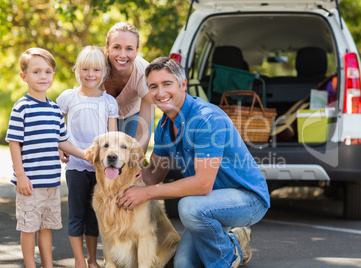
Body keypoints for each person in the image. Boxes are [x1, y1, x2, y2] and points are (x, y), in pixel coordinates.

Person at [117, 57, 270, 268]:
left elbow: (202, 184)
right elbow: (153, 175)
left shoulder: (206, 119)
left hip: (246, 199)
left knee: (188, 207)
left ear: (183, 84)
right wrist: (121, 176)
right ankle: (235, 242)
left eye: (167, 84)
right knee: (183, 264)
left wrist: (146, 193)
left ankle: (224, 259)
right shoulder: (164, 127)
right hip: (207, 203)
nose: (160, 93)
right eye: (153, 86)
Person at [6, 48, 85, 268]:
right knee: (29, 228)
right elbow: (14, 143)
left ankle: (47, 266)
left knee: (46, 227)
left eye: (48, 71)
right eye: (36, 72)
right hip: (30, 184)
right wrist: (20, 175)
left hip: (51, 183)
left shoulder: (54, 109)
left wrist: (87, 155)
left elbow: (63, 141)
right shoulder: (22, 108)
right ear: (24, 76)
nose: (43, 76)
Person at [56, 46, 118, 268]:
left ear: (104, 73)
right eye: (85, 69)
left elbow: (113, 138)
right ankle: (80, 261)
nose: (90, 74)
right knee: (77, 214)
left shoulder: (109, 102)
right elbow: (55, 126)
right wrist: (59, 147)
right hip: (75, 166)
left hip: (100, 169)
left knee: (94, 216)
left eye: (96, 70)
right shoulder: (67, 97)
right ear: (77, 70)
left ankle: (93, 260)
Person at [103, 22, 154, 153]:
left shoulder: (144, 74)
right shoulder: (94, 68)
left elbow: (143, 130)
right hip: (103, 112)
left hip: (134, 112)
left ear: (137, 51)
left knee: (129, 155)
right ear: (107, 48)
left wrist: (136, 161)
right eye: (116, 47)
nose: (122, 55)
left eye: (129, 49)